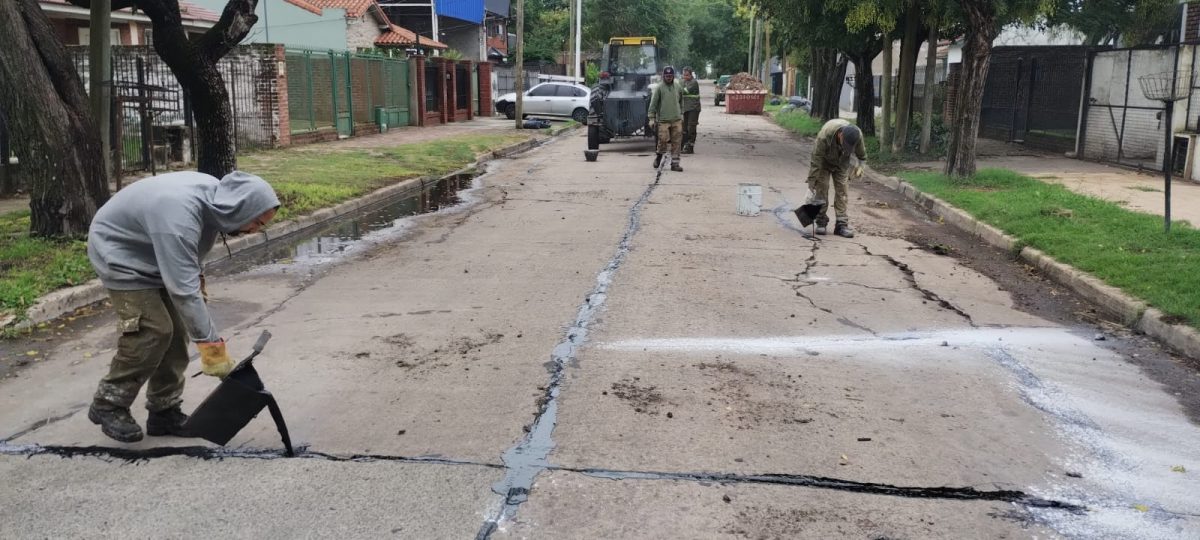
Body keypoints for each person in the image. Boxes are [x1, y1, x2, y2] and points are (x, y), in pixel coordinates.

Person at [86, 170, 280, 443]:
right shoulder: (178, 215)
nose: (254, 230)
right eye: (256, 222)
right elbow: (183, 289)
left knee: (177, 333)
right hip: (121, 254)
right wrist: (213, 349)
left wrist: (200, 317)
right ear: (240, 209)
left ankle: (163, 411)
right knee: (153, 329)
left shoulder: (218, 203)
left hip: (156, 251)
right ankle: (109, 403)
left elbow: (188, 261)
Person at [806, 119, 866, 238]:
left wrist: (861, 166)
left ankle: (841, 225)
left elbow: (862, 156)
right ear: (840, 134)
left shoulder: (857, 135)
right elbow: (816, 161)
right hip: (824, 162)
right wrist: (811, 185)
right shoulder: (825, 135)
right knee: (822, 189)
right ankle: (821, 222)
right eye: (845, 145)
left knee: (842, 191)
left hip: (842, 163)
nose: (846, 147)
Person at [648, 65, 685, 172]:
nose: (669, 77)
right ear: (663, 76)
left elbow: (681, 101)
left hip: (676, 119)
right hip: (663, 120)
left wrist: (681, 113)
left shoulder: (678, 87)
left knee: (677, 141)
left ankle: (675, 164)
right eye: (667, 76)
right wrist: (651, 118)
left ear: (673, 76)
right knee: (663, 140)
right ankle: (659, 156)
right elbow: (653, 104)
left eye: (670, 75)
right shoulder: (659, 88)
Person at [680, 67, 701, 154]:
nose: (685, 77)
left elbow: (684, 91)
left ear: (691, 74)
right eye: (684, 75)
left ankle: (690, 146)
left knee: (691, 127)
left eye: (687, 75)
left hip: (693, 108)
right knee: (684, 128)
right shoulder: (683, 82)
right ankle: (684, 145)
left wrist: (679, 85)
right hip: (685, 108)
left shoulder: (693, 82)